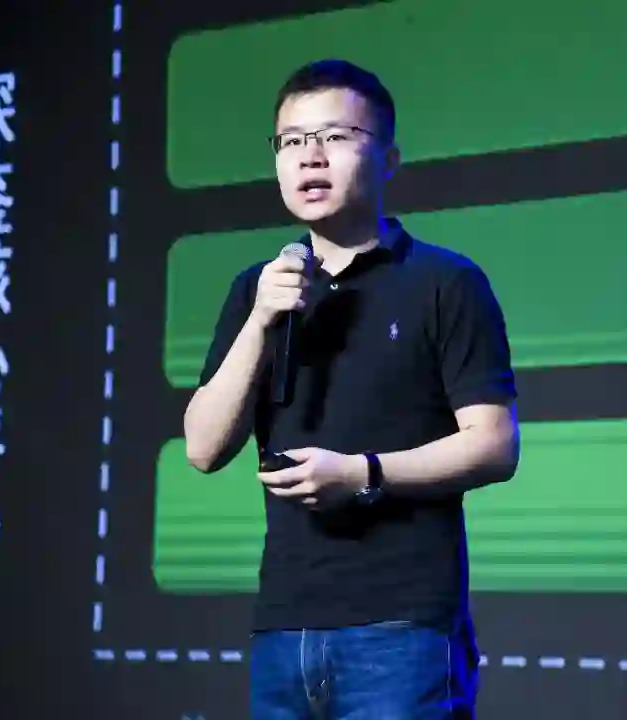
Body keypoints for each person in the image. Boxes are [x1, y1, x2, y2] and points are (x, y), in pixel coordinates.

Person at [183, 58, 520, 719]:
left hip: (402, 627)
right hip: (283, 628)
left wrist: (363, 473)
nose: (310, 156)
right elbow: (203, 447)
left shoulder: (445, 282)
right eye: (291, 141)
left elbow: (494, 444)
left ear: (388, 159)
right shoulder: (257, 290)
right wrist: (261, 318)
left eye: (336, 136)